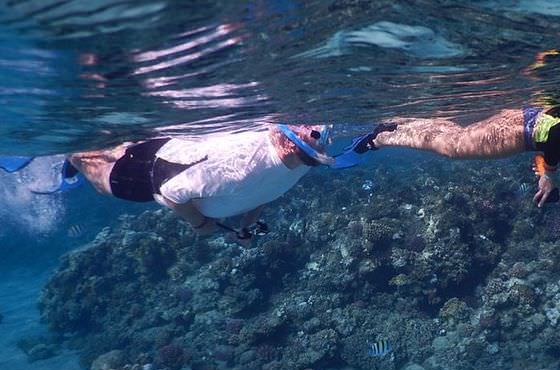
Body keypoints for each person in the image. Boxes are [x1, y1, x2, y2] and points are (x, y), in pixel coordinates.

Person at [335, 93, 560, 207]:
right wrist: (550, 173)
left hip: (527, 127)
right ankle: (377, 139)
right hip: (522, 132)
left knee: (455, 137)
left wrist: (546, 170)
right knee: (453, 147)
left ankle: (396, 123)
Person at [2, 124, 334, 244]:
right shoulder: (255, 165)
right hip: (150, 176)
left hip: (174, 148)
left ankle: (97, 148)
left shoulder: (300, 166)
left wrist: (250, 224)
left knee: (116, 142)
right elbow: (171, 193)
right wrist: (201, 224)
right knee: (93, 168)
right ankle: (65, 154)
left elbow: (269, 190)